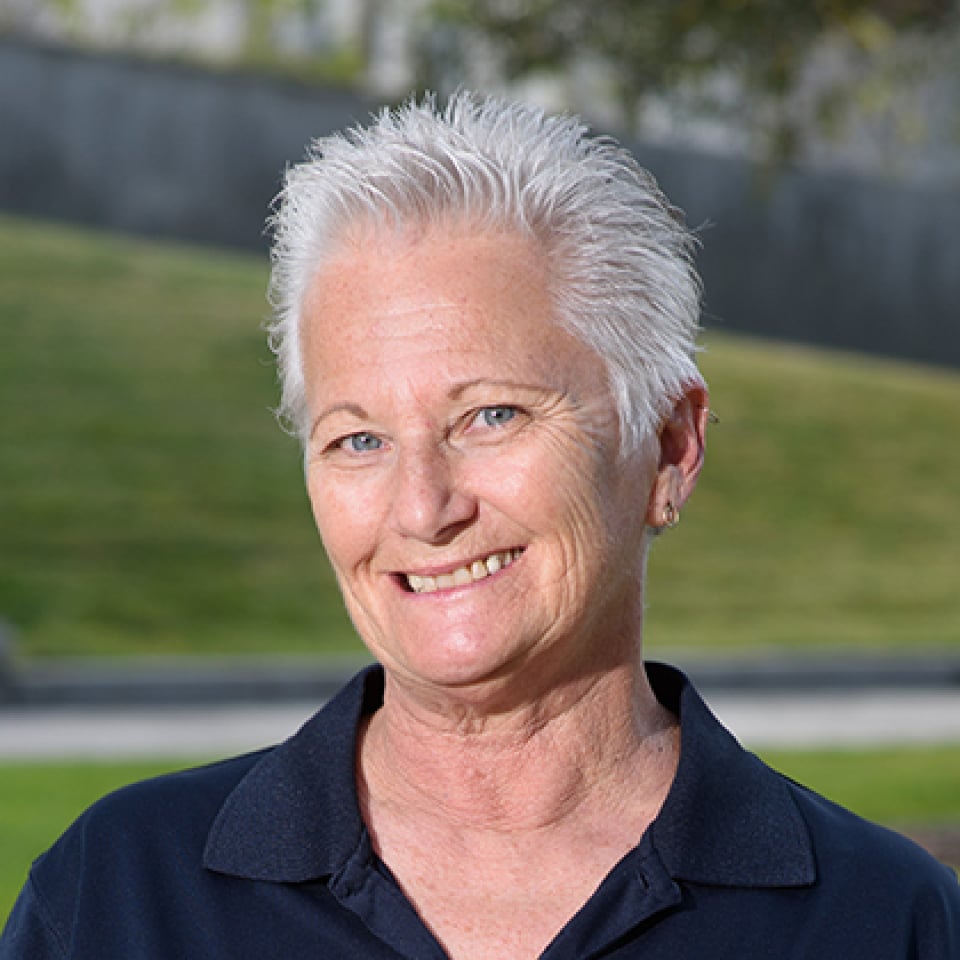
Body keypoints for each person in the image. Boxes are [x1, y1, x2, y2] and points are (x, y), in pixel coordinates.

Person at [2, 91, 958, 960]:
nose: (423, 508)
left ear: (669, 445)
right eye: (359, 439)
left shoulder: (885, 922)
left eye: (491, 416)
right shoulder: (118, 899)